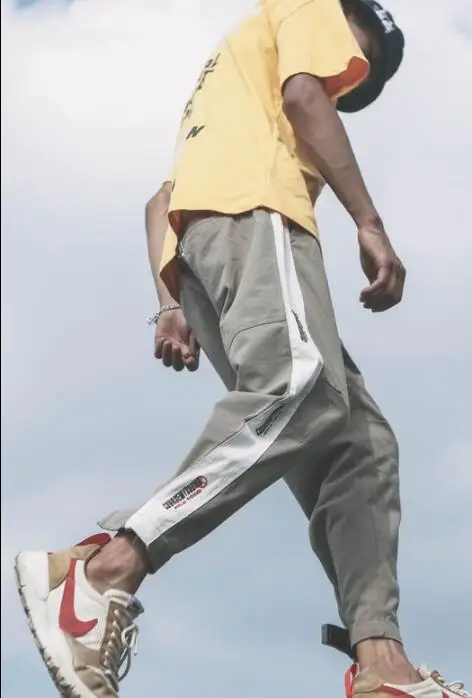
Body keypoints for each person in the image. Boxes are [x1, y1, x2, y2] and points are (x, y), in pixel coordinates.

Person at [14, 1, 470, 697]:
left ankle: (383, 666)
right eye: (359, 63)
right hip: (257, 220)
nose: (348, 76)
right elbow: (305, 94)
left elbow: (160, 201)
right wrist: (369, 221)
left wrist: (172, 304)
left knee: (362, 443)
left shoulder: (224, 101)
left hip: (208, 248)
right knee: (302, 388)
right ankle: (103, 571)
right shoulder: (308, 11)